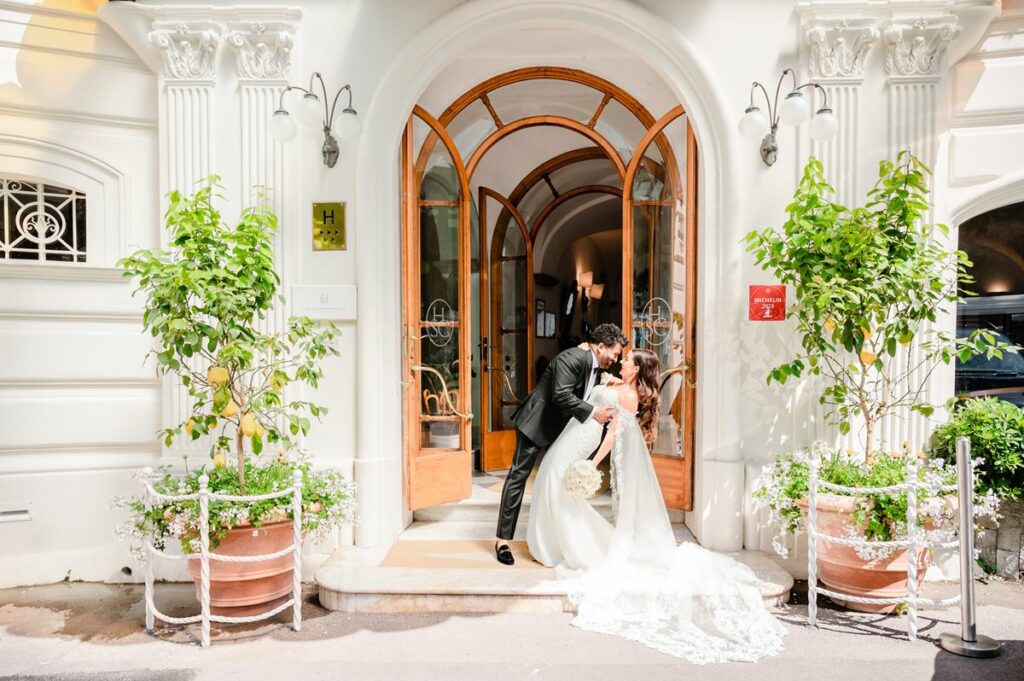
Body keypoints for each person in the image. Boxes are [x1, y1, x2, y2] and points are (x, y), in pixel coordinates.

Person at [528, 347, 787, 663]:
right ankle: (554, 540)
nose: (622, 362)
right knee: (550, 483)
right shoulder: (615, 385)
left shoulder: (628, 397)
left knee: (562, 487)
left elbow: (611, 436)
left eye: (627, 361)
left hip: (585, 442)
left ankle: (565, 544)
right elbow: (599, 386)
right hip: (575, 434)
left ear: (635, 370)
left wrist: (592, 463)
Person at [493, 323, 627, 566]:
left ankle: (552, 536)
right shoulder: (572, 358)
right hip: (535, 424)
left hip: (559, 429)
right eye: (615, 353)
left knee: (552, 478)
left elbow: (588, 387)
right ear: (600, 347)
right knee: (518, 477)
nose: (616, 359)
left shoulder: (593, 362)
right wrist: (594, 411)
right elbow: (560, 395)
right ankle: (503, 540)